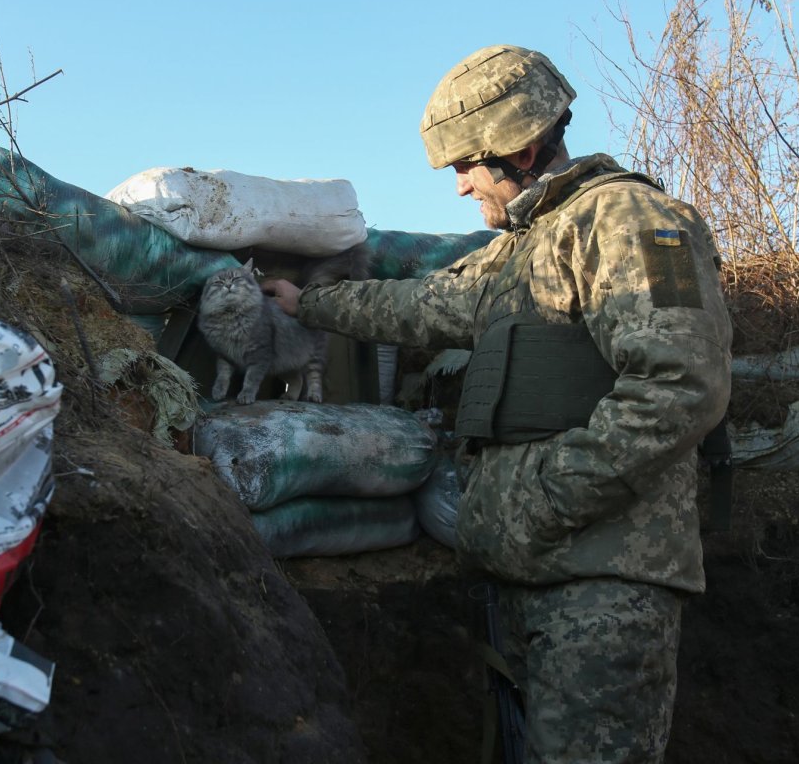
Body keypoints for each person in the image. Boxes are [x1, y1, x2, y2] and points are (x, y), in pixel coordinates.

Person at [264, 44, 732, 763]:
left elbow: (681, 386)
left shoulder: (636, 222)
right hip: (530, 571)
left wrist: (547, 498)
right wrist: (311, 303)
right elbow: (424, 304)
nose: (458, 188)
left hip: (602, 584)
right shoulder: (524, 247)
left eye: (465, 166)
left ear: (522, 146)